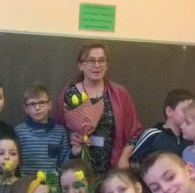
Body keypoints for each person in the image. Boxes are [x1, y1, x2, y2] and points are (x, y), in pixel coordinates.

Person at [55, 42, 142, 174]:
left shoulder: (120, 94)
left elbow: (133, 133)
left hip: (112, 167)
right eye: (91, 61)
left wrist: (124, 158)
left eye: (101, 60)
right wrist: (72, 136)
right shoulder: (69, 93)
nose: (97, 65)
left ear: (107, 65)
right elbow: (59, 130)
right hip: (77, 167)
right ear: (80, 65)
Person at [15, 82, 75, 176]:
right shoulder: (19, 132)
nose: (37, 107)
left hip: (51, 182)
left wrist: (74, 152)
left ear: (49, 105)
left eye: (42, 102)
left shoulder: (60, 132)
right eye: (32, 104)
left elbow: (64, 164)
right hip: (26, 182)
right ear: (26, 109)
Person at [131, 89, 193, 164]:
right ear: (169, 111)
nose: (189, 114)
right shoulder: (153, 135)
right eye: (185, 110)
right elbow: (132, 161)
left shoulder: (190, 137)